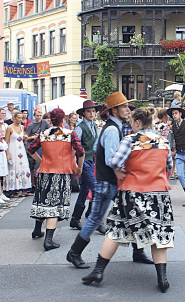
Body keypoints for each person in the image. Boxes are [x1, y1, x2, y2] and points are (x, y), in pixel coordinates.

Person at [82, 107, 174, 293]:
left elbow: (115, 162)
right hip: (158, 194)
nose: (130, 125)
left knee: (115, 230)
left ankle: (98, 272)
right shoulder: (163, 141)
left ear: (137, 123)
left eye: (131, 122)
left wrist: (121, 170)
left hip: (132, 192)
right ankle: (162, 279)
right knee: (159, 235)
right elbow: (168, 165)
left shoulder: (130, 140)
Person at [66, 92, 153, 269]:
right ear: (114, 110)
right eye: (123, 107)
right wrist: (128, 169)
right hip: (109, 182)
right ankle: (74, 253)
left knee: (131, 213)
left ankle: (137, 252)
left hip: (109, 181)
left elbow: (103, 151)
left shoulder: (112, 126)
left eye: (127, 106)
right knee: (102, 217)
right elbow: (110, 160)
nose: (127, 110)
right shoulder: (113, 129)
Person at [27, 108, 85, 251]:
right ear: (63, 119)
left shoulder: (43, 134)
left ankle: (37, 230)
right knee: (54, 205)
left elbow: (30, 149)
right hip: (61, 174)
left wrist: (41, 161)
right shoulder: (69, 134)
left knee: (42, 201)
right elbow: (81, 152)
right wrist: (79, 168)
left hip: (44, 172)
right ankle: (48, 240)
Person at [70, 100, 101, 230]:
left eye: (93, 111)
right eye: (89, 111)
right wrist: (77, 164)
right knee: (95, 189)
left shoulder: (94, 125)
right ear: (83, 113)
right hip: (83, 161)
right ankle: (97, 222)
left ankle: (75, 219)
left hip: (92, 160)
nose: (92, 113)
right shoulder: (80, 127)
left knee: (84, 190)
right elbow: (74, 145)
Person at [4, 111, 32, 197]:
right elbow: (6, 141)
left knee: (23, 167)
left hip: (21, 151)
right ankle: (14, 190)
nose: (20, 119)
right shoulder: (9, 127)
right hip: (13, 150)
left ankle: (24, 189)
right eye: (18, 117)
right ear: (15, 118)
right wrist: (7, 154)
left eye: (21, 117)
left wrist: (24, 139)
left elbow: (22, 140)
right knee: (13, 168)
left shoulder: (22, 127)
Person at [25, 107, 50, 188]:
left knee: (40, 163)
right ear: (34, 116)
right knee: (32, 166)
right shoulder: (31, 125)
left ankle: (41, 183)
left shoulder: (44, 122)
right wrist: (33, 137)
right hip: (33, 145)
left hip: (42, 146)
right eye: (37, 115)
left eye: (40, 115)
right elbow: (26, 137)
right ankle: (33, 184)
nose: (39, 117)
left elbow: (50, 130)